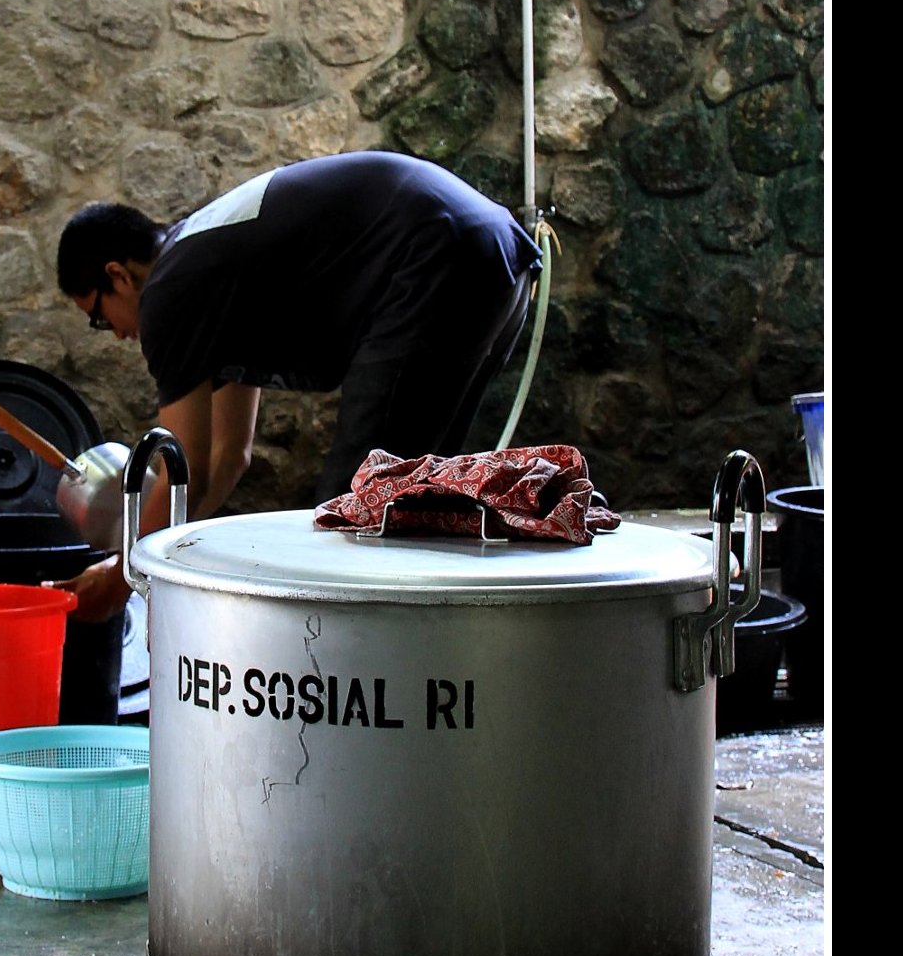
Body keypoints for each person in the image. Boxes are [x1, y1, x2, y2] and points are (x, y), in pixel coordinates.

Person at [55, 150, 541, 619]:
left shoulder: (169, 291)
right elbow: (229, 456)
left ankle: (348, 665)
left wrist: (120, 579)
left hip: (435, 254)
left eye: (99, 317)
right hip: (491, 246)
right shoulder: (202, 263)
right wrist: (167, 564)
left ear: (118, 276)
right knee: (406, 505)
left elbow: (186, 471)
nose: (116, 334)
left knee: (357, 506)